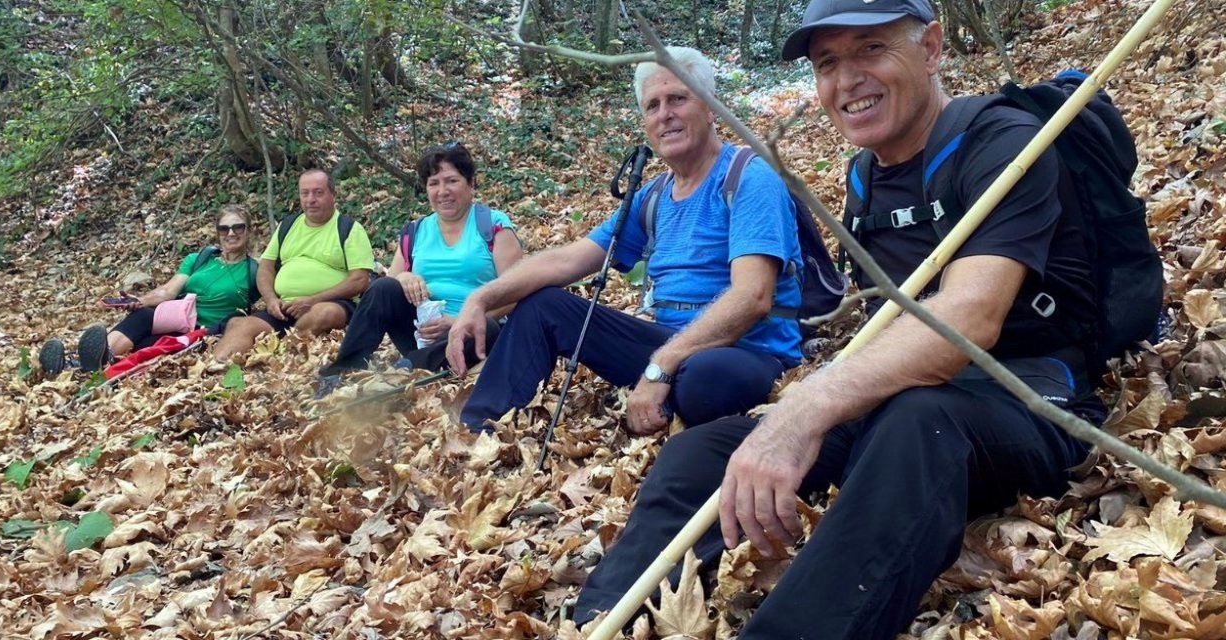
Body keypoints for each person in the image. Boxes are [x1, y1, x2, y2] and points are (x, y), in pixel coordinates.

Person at [574, 1, 1103, 638]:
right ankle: (600, 620)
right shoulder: (864, 179)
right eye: (828, 62)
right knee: (698, 453)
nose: (847, 79)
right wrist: (801, 412)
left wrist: (808, 407)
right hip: (907, 394)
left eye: (872, 49)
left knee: (915, 425)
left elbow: (969, 319)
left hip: (1026, 395)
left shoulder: (1005, 144)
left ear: (932, 48)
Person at [447, 47, 804, 434]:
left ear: (711, 108)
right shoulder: (653, 195)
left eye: (678, 99)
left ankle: (669, 394)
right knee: (543, 305)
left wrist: (660, 366)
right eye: (653, 106)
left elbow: (753, 296)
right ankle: (477, 429)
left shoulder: (749, 178)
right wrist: (480, 299)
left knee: (706, 379)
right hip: (670, 346)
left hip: (744, 351)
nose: (664, 114)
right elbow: (567, 260)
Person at [315, 142, 522, 394]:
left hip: (475, 331)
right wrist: (405, 277)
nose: (442, 191)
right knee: (382, 288)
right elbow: (388, 286)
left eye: (451, 181)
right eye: (434, 183)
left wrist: (460, 320)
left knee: (487, 329)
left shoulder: (493, 225)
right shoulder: (416, 231)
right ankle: (342, 372)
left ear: (471, 183)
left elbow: (516, 290)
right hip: (422, 331)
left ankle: (405, 371)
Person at [39, 204, 260, 375]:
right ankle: (88, 361)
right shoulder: (199, 259)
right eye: (224, 228)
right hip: (175, 319)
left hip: (206, 331)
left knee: (147, 345)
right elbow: (168, 291)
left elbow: (272, 296)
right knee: (142, 315)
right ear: (218, 232)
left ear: (248, 230)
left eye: (237, 227)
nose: (231, 233)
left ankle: (84, 364)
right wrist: (141, 300)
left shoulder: (255, 269)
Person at [212, 169, 375, 361]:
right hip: (284, 309)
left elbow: (359, 280)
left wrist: (313, 300)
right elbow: (265, 268)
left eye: (318, 192)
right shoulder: (288, 226)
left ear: (333, 195)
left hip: (330, 304)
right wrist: (272, 300)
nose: (310, 199)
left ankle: (284, 355)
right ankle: (215, 371)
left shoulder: (349, 229)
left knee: (326, 313)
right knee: (240, 325)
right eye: (305, 193)